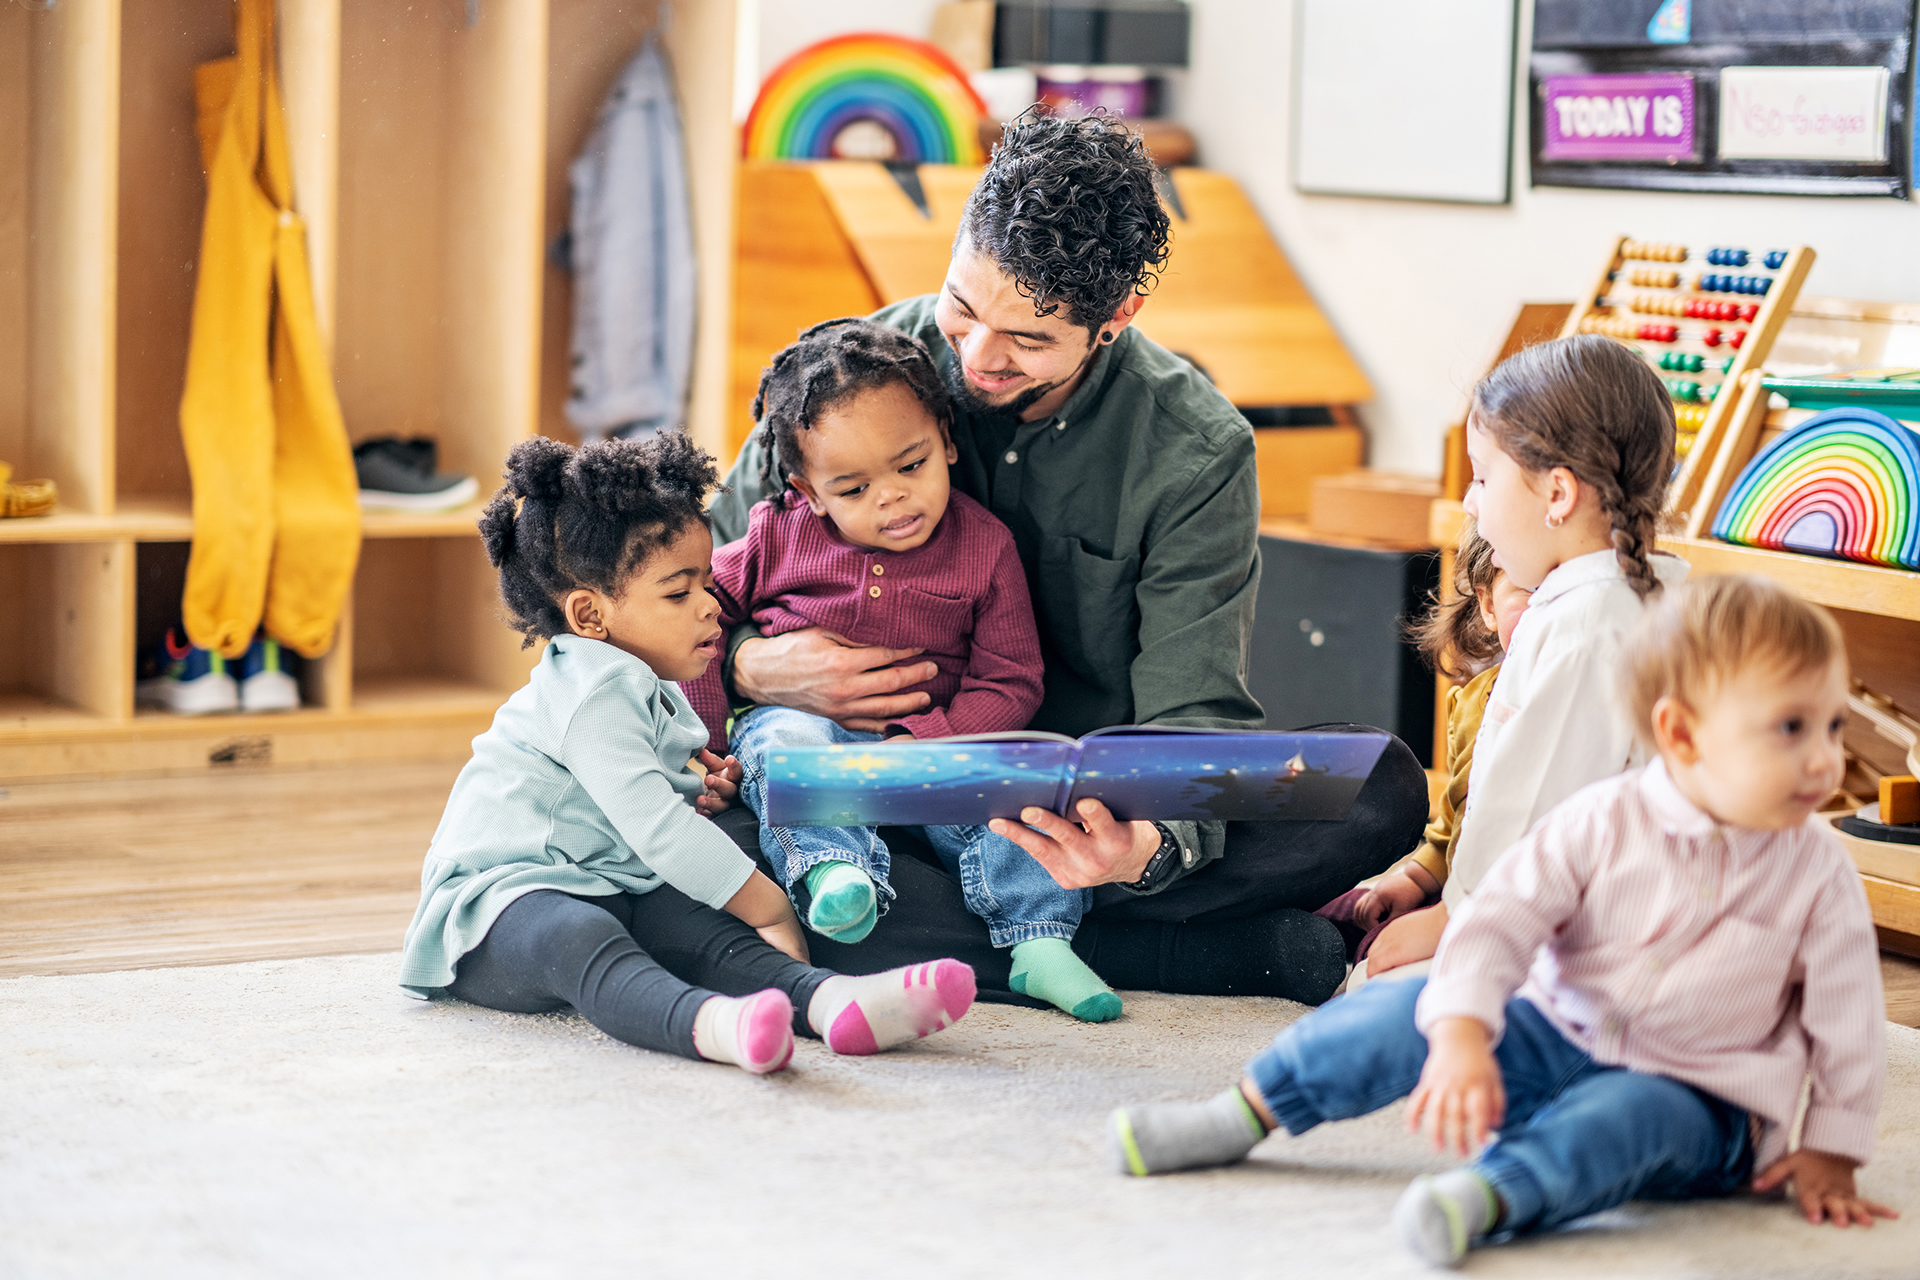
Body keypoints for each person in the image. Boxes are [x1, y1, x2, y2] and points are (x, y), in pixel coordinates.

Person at [707, 108, 1428, 1003]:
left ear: (1116, 317)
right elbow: (682, 586)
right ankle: (1146, 953)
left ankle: (1046, 917)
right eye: (963, 306)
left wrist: (1144, 849)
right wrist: (755, 666)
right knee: (702, 818)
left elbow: (1192, 710)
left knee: (1371, 785)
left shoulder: (1195, 449)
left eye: (1028, 339)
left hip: (1076, 802)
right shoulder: (853, 379)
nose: (974, 356)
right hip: (855, 777)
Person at [1107, 575, 1894, 1268]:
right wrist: (1461, 1030)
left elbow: (1846, 1015)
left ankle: (1489, 1196)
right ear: (1683, 735)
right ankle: (1241, 1112)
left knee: (1622, 1121)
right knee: (1399, 1011)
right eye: (1793, 730)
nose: (1826, 762)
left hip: (1700, 1100)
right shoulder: (1599, 822)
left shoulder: (1816, 870)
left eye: (1832, 728)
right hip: (1554, 1030)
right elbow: (1499, 923)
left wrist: (1832, 1143)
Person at [397, 433, 976, 1074]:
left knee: (695, 919)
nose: (711, 604)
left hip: (607, 880)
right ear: (589, 614)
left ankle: (827, 1002)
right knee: (585, 937)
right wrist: (769, 904)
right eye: (679, 593)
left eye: (706, 580)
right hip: (497, 908)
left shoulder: (644, 681)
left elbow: (644, 798)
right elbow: (657, 830)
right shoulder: (592, 686)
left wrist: (698, 785)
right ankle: (708, 1024)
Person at [683, 319, 1121, 1023]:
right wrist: (706, 743)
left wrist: (932, 743)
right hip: (810, 735)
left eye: (911, 467)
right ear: (810, 491)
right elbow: (696, 620)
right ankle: (835, 873)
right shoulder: (775, 533)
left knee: (1017, 801)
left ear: (947, 440)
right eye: (853, 489)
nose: (891, 498)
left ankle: (1041, 942)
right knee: (788, 743)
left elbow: (1011, 680)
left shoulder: (984, 546)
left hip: (934, 752)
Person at [1357, 334, 1690, 977]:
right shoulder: (1646, 596)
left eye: (1483, 477)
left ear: (1558, 496)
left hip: (1580, 947)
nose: (1471, 502)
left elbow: (1534, 804)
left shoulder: (1586, 626)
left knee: (1368, 1000)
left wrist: (1455, 921)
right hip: (1591, 924)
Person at [1317, 520, 1528, 981]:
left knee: (1381, 955)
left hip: (1508, 901)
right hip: (1452, 885)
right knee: (1351, 908)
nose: (1548, 614)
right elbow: (1450, 826)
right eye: (1529, 591)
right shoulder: (1472, 702)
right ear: (1488, 603)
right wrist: (1413, 880)